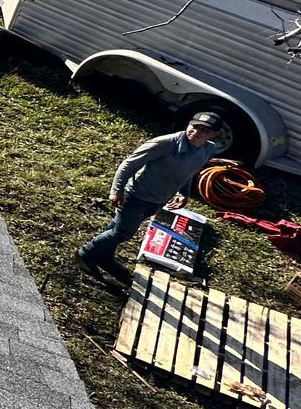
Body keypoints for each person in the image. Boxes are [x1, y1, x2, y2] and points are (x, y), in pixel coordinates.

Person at [77, 111, 229, 283]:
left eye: (205, 131)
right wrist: (116, 190)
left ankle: (105, 257)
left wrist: (184, 192)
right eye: (195, 126)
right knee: (122, 233)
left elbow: (190, 171)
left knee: (118, 225)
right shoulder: (165, 144)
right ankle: (86, 253)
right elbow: (130, 163)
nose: (197, 132)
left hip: (158, 199)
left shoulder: (208, 149)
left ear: (215, 135)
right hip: (136, 196)